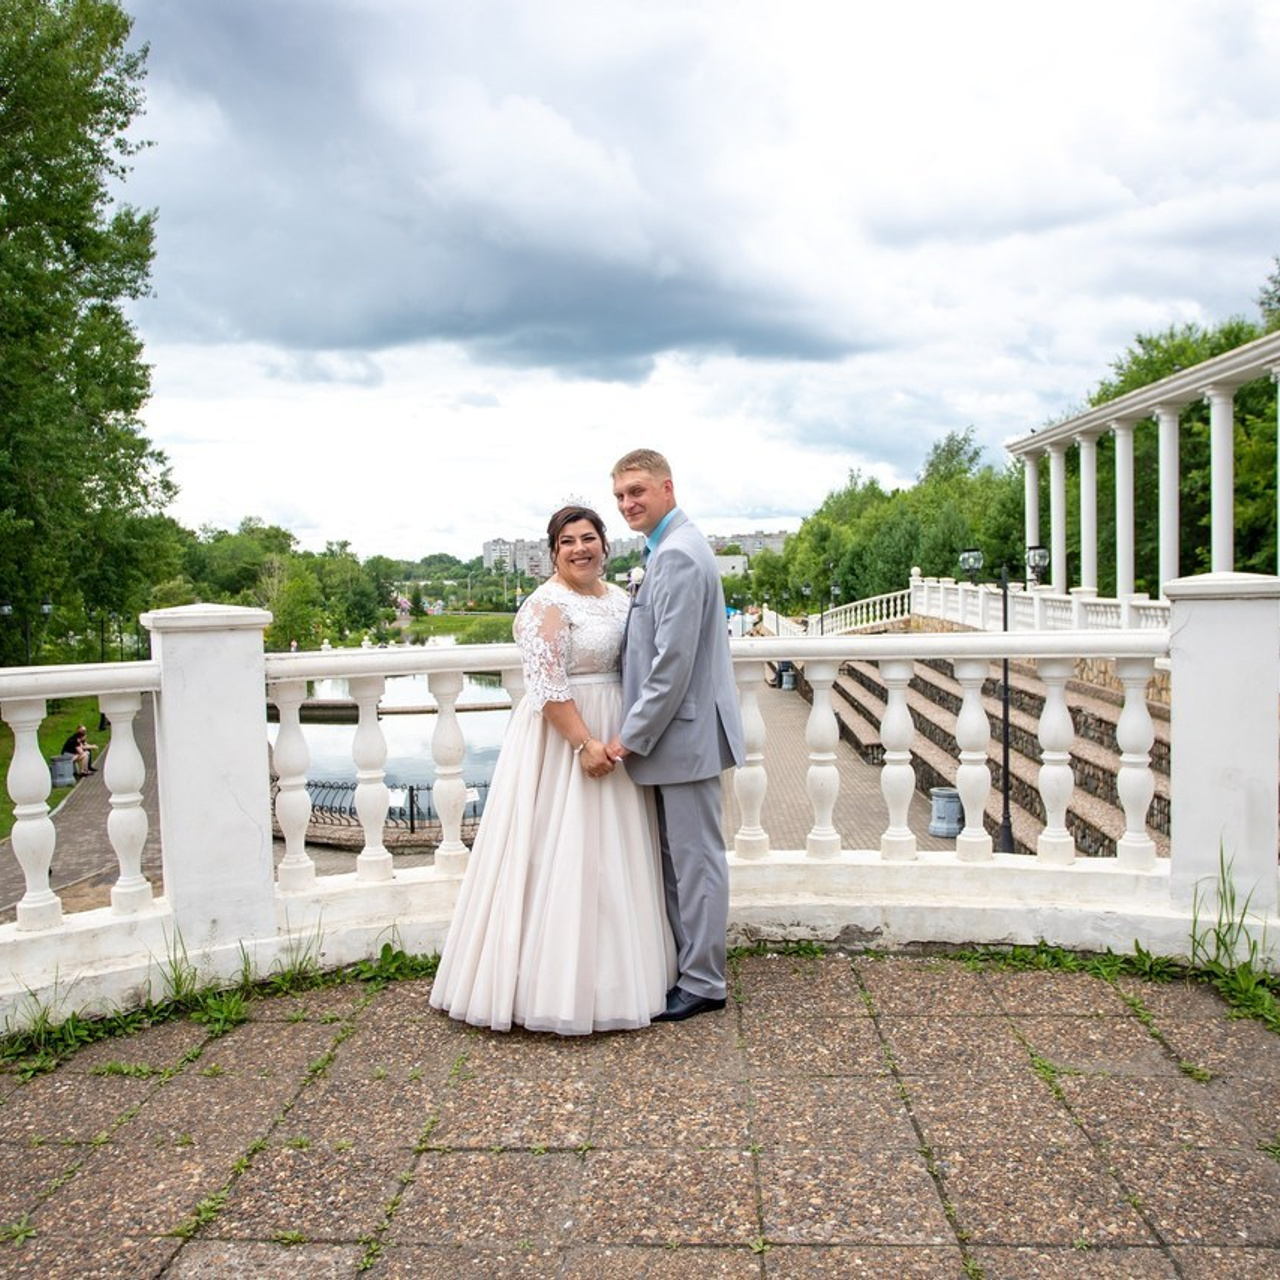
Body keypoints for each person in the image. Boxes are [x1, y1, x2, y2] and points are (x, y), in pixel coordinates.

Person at [431, 505, 675, 1035]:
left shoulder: (618, 598)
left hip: (618, 734)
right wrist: (584, 743)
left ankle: (619, 980)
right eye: (568, 542)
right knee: (559, 853)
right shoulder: (542, 606)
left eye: (589, 538)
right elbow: (546, 685)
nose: (580, 549)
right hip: (566, 739)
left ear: (606, 546)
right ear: (553, 552)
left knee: (614, 856)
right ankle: (547, 987)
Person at [605, 449, 745, 1022]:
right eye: (618, 496)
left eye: (636, 491)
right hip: (678, 737)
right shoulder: (665, 549)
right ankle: (688, 969)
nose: (627, 504)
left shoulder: (680, 555)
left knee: (697, 863)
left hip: (682, 737)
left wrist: (628, 737)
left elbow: (672, 664)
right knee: (678, 862)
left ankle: (705, 982)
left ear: (667, 487)